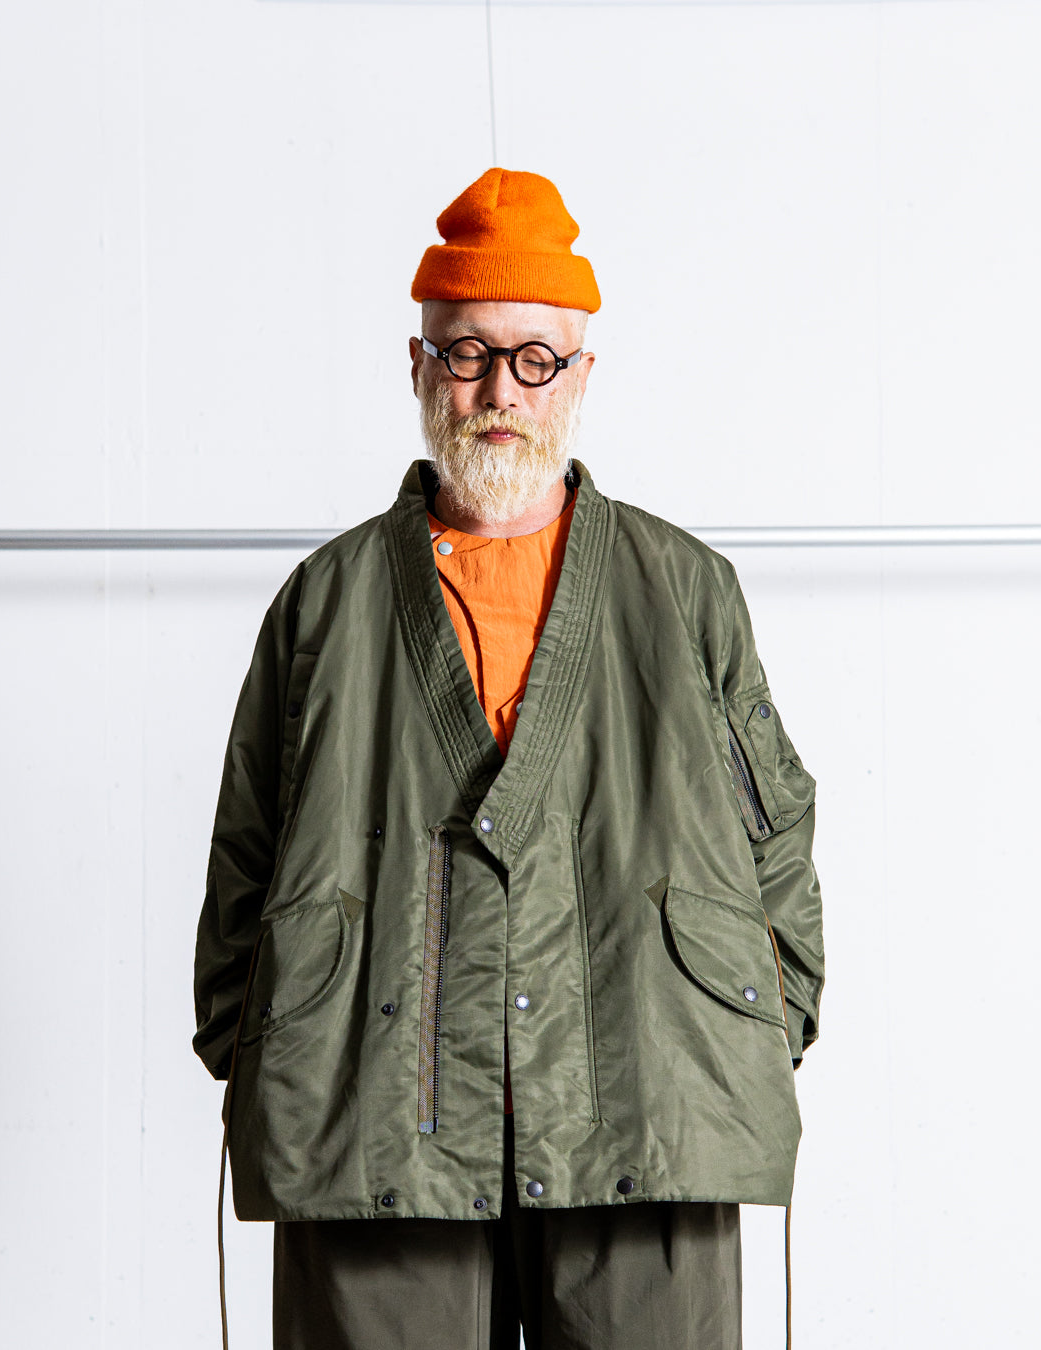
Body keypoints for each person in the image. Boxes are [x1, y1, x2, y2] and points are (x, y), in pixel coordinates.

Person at [193, 167, 824, 1350]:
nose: (499, 391)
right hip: (372, 1105)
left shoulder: (688, 591)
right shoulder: (325, 602)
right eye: (467, 353)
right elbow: (247, 856)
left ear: (580, 374)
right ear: (419, 367)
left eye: (534, 358)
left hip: (652, 1090)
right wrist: (269, 1041)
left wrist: (756, 1018)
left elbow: (774, 829)